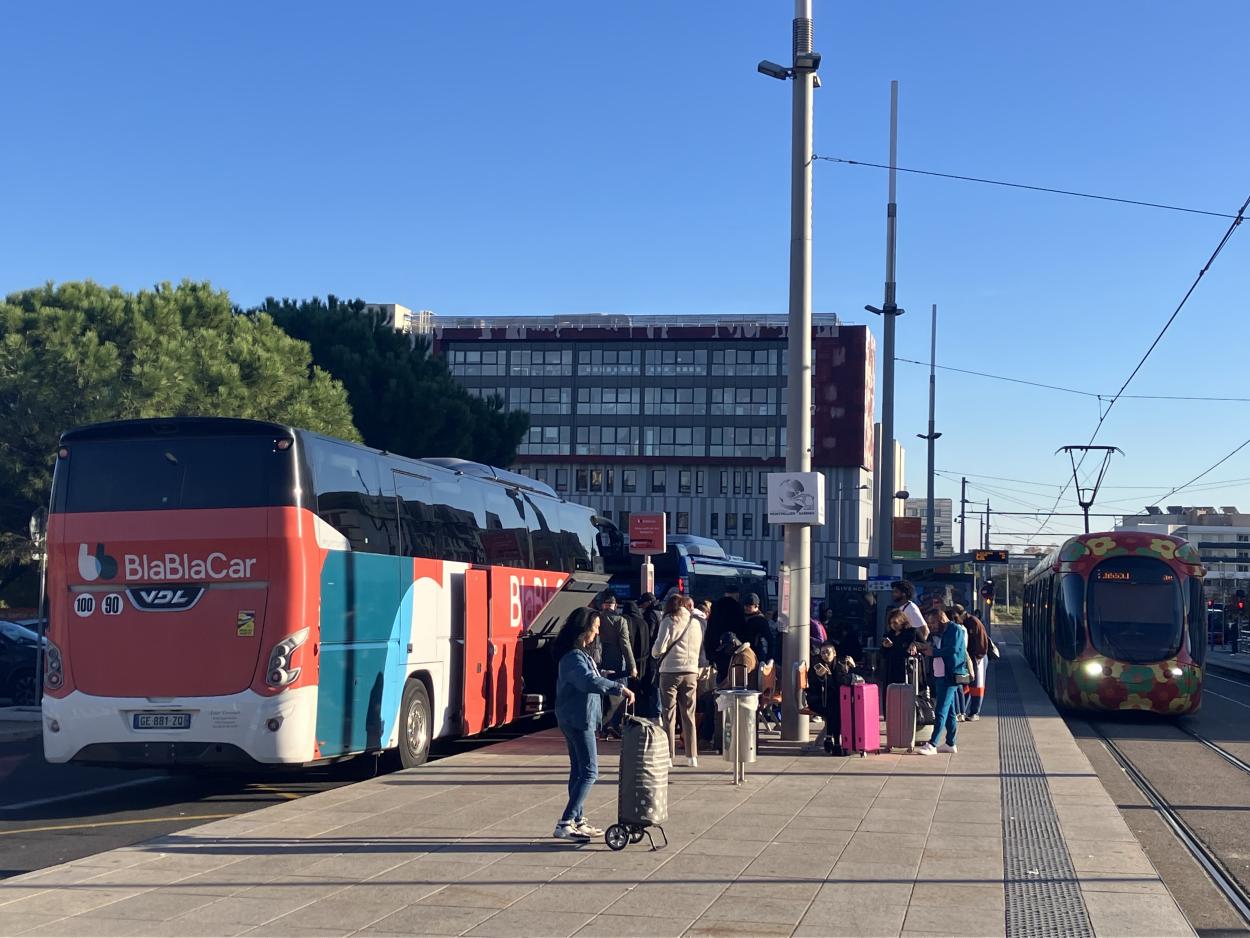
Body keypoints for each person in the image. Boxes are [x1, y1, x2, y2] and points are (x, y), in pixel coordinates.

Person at [551, 607, 633, 841]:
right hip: (579, 718)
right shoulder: (575, 657)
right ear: (583, 630)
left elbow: (590, 676)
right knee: (590, 771)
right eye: (595, 628)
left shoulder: (578, 655)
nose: (597, 633)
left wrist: (604, 675)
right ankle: (566, 822)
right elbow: (587, 681)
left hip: (575, 716)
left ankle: (578, 819)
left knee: (578, 770)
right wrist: (619, 688)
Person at [652, 593, 707, 767]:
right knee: (689, 715)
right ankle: (692, 756)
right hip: (691, 672)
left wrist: (654, 653)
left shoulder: (669, 621)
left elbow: (659, 648)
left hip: (670, 672)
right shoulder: (696, 623)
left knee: (669, 714)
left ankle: (669, 756)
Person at [916, 607, 967, 756]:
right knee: (949, 711)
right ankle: (951, 743)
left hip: (949, 675)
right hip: (939, 674)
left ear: (941, 619)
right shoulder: (938, 633)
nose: (930, 626)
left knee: (941, 710)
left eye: (932, 623)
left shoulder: (955, 630)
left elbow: (953, 649)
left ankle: (933, 743)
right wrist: (925, 647)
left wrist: (934, 652)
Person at [597, 593, 637, 738]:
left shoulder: (596, 619)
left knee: (602, 695)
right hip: (617, 663)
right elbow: (625, 644)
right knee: (618, 694)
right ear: (615, 605)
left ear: (602, 605)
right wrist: (632, 666)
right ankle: (614, 725)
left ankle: (602, 727)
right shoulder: (620, 621)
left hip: (599, 662)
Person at [952, 604, 990, 721]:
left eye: (955, 616)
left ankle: (975, 712)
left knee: (977, 684)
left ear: (959, 614)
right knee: (967, 683)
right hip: (967, 657)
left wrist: (979, 657)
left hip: (978, 657)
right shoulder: (961, 624)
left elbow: (982, 641)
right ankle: (965, 709)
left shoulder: (974, 622)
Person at [879, 609, 919, 688]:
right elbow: (883, 654)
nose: (893, 625)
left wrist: (914, 644)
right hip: (891, 669)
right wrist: (885, 646)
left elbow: (923, 645)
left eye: (895, 623)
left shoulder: (911, 632)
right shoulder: (890, 634)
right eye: (891, 623)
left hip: (905, 668)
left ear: (902, 621)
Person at [707, 589, 746, 656]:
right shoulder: (738, 609)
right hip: (734, 647)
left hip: (715, 646)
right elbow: (742, 629)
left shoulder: (714, 608)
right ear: (737, 596)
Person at [741, 594, 773, 664]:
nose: (746, 608)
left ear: (756, 606)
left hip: (755, 653)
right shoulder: (741, 617)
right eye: (745, 606)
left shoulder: (760, 620)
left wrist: (769, 657)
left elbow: (770, 639)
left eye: (749, 606)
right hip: (741, 650)